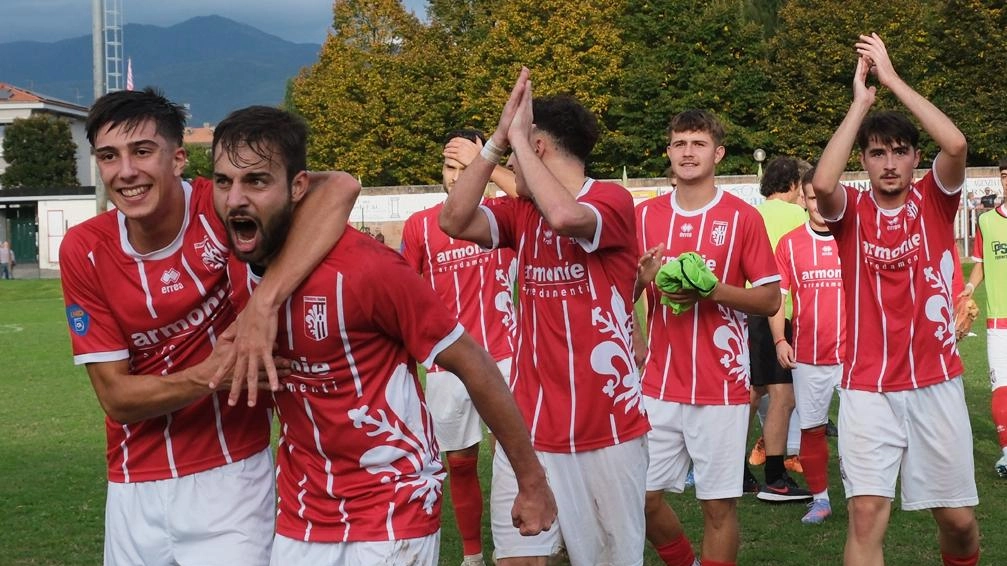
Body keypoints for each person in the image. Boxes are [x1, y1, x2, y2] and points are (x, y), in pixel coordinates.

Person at [212, 105, 555, 566]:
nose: (235, 198)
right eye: (223, 182)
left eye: (256, 181)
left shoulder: (368, 269)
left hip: (392, 504)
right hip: (301, 510)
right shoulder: (233, 259)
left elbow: (472, 361)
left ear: (299, 187)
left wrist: (532, 482)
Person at [59, 87, 360, 566]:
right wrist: (211, 372)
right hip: (132, 487)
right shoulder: (84, 249)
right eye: (109, 156)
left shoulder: (220, 204)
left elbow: (340, 186)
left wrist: (263, 304)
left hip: (233, 476)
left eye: (142, 151)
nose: (127, 172)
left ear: (178, 158)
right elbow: (116, 399)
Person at [440, 68, 650, 566]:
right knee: (520, 559)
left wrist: (517, 143)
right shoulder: (519, 213)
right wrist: (493, 144)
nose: (507, 160)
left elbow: (566, 217)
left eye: (516, 147)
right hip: (532, 426)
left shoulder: (611, 200)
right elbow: (453, 219)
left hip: (608, 426)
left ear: (537, 147)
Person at [812, 33, 980, 566]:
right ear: (864, 160)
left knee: (958, 524)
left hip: (936, 383)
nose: (889, 163)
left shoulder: (935, 200)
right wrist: (860, 102)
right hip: (868, 390)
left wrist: (891, 79)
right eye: (877, 152)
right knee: (865, 517)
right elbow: (821, 181)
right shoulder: (852, 212)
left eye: (900, 152)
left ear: (913, 160)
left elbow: (954, 146)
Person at [635, 109, 781, 566]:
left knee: (717, 508)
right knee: (640, 498)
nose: (687, 152)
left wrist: (712, 290)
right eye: (679, 144)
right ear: (668, 153)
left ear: (717, 153)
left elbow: (771, 299)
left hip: (722, 385)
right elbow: (617, 296)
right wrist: (641, 280)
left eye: (698, 144)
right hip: (658, 383)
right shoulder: (643, 217)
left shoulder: (742, 218)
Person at [400, 128, 518, 566]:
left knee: (518, 458)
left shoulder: (505, 216)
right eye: (450, 167)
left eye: (466, 168)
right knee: (462, 463)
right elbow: (405, 295)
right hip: (447, 366)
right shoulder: (419, 227)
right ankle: (472, 556)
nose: (455, 177)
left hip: (507, 357)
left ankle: (528, 543)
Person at [770, 166, 845, 524]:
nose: (819, 205)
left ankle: (865, 496)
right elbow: (776, 299)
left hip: (855, 355)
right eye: (812, 198)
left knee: (861, 432)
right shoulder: (789, 244)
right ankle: (821, 499)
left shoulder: (854, 237)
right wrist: (780, 339)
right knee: (812, 429)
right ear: (802, 198)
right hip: (809, 357)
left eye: (824, 197)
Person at [746, 156, 811, 503]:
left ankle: (735, 469)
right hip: (777, 312)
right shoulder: (796, 218)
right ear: (793, 185)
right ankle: (774, 476)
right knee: (783, 398)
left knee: (754, 392)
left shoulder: (751, 214)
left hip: (749, 310)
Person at [960, 177, 1007, 478]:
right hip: (998, 321)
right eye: (1005, 176)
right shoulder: (987, 221)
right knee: (1000, 386)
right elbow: (981, 262)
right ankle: (1006, 453)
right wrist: (968, 286)